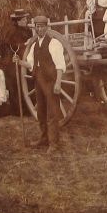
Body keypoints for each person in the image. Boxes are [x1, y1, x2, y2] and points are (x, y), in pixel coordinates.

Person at [13, 15, 66, 153]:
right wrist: (19, 61)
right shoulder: (34, 45)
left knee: (52, 113)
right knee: (41, 112)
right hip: (39, 80)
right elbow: (30, 64)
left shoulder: (54, 43)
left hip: (50, 81)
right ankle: (44, 138)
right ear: (35, 28)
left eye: (42, 26)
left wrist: (58, 83)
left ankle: (53, 143)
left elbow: (60, 65)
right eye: (37, 27)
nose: (40, 29)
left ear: (47, 27)